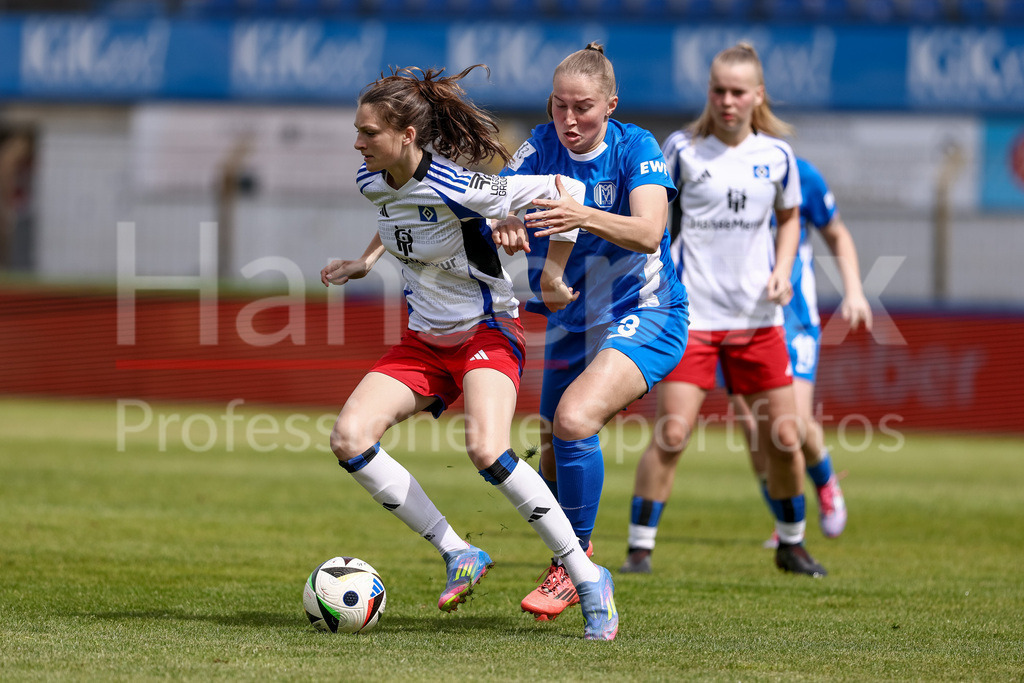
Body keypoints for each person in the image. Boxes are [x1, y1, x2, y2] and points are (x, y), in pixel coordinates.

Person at [321, 64, 617, 641]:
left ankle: (586, 576)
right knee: (349, 438)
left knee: (486, 448)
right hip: (423, 341)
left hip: (487, 329)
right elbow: (396, 212)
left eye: (368, 133)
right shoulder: (371, 177)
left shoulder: (461, 186)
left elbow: (571, 191)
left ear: (407, 135)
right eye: (357, 132)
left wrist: (550, 269)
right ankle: (459, 551)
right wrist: (368, 261)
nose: (357, 144)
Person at [492, 43, 690, 621]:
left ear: (611, 106)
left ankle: (577, 566)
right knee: (553, 440)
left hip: (648, 310)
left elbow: (651, 231)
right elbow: (499, 195)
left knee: (575, 420)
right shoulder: (540, 142)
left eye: (583, 108)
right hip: (573, 319)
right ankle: (568, 559)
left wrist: (583, 215)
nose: (569, 121)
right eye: (559, 107)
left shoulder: (637, 147)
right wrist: (502, 217)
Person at [620, 42, 826, 577]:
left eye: (738, 91)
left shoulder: (778, 157)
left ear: (758, 96)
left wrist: (784, 267)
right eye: (718, 90)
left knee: (783, 438)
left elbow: (789, 220)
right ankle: (639, 549)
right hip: (692, 318)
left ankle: (791, 543)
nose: (727, 101)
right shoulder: (681, 149)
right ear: (708, 93)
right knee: (672, 434)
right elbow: (655, 222)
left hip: (759, 322)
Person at [732, 156, 872, 548]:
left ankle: (825, 481)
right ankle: (785, 519)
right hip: (734, 320)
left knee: (789, 422)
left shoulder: (796, 172)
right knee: (754, 428)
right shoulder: (708, 166)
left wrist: (855, 289)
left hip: (792, 320)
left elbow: (837, 233)